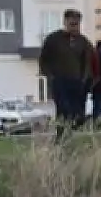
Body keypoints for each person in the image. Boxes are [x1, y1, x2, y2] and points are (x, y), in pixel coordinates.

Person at [39, 8, 96, 139]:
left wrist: (85, 79)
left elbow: (87, 62)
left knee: (77, 114)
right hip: (59, 81)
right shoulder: (53, 39)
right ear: (65, 22)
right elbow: (43, 60)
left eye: (77, 24)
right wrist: (50, 76)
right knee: (63, 110)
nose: (75, 28)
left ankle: (69, 135)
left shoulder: (83, 41)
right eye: (72, 24)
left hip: (76, 82)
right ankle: (60, 138)